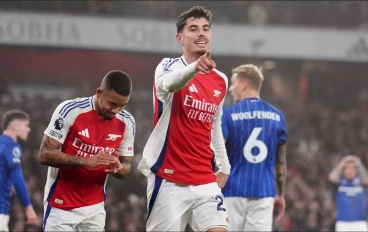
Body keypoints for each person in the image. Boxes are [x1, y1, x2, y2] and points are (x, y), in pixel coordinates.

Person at [138, 6, 231, 232]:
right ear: (180, 38)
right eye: (193, 29)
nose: (201, 34)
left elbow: (215, 123)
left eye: (206, 29)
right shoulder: (168, 66)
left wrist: (225, 165)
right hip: (169, 180)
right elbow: (167, 84)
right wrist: (194, 69)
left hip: (204, 179)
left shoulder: (220, 80)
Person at [39, 70, 135, 231]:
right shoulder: (70, 110)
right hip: (61, 205)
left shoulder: (127, 122)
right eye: (112, 104)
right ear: (99, 92)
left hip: (95, 208)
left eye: (122, 105)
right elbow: (44, 154)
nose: (116, 110)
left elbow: (126, 165)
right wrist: (86, 161)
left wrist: (118, 168)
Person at [221, 64, 287, 231]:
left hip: (231, 191)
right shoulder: (277, 116)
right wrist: (281, 193)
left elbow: (216, 152)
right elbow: (280, 162)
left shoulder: (228, 114)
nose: (230, 89)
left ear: (244, 85)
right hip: (263, 191)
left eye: (233, 83)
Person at [0, 110, 38, 231]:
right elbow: (17, 179)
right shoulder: (12, 146)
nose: (29, 129)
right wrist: (28, 207)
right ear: (14, 126)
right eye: (26, 125)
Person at [328, 155, 368, 232]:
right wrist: (341, 163)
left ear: (356, 170)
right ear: (344, 170)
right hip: (343, 223)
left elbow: (367, 179)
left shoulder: (361, 182)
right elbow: (331, 177)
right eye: (347, 168)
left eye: (352, 168)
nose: (350, 170)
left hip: (360, 222)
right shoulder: (340, 182)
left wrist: (359, 164)